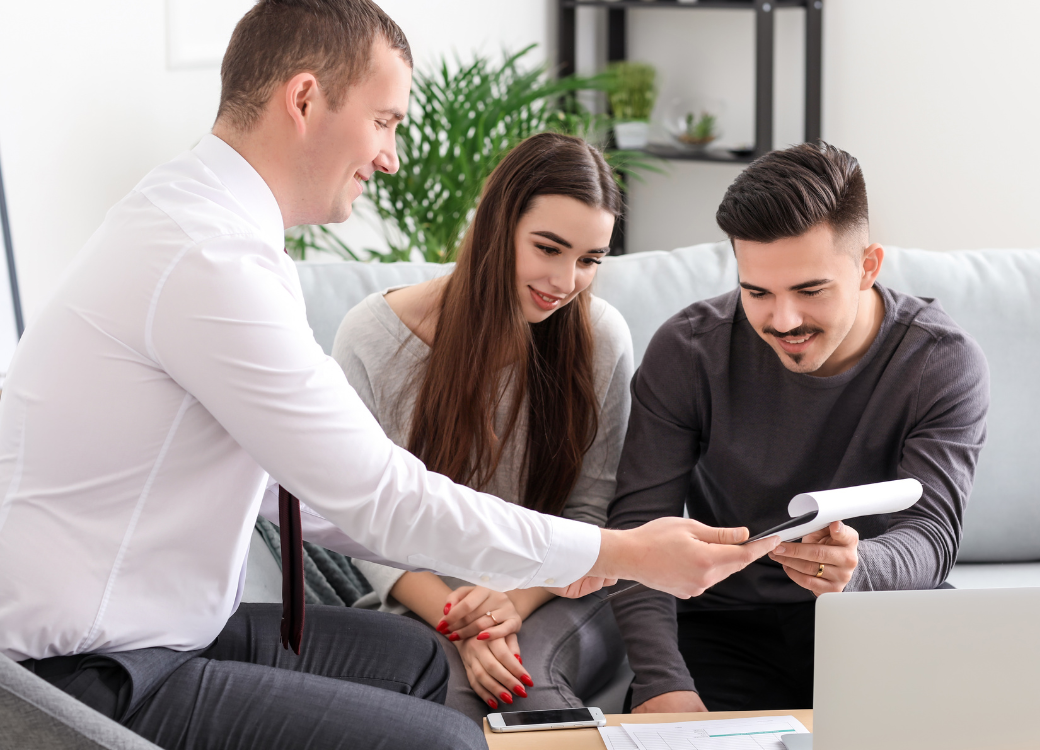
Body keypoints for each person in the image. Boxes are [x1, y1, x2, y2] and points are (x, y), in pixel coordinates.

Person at [0, 2, 777, 748]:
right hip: (81, 674)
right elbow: (375, 495)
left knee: (415, 661)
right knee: (447, 742)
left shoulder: (205, 226)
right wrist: (621, 553)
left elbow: (315, 489)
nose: (391, 155)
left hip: (151, 635)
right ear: (304, 99)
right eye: (384, 121)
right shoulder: (208, 259)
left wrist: (552, 565)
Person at [609, 141, 992, 713]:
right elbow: (639, 530)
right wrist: (664, 684)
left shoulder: (939, 361)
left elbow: (932, 535)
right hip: (725, 625)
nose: (782, 320)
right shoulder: (688, 351)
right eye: (756, 292)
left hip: (877, 615)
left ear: (867, 267)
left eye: (810, 291)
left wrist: (859, 567)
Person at [333, 132, 632, 719]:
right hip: (428, 597)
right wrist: (465, 621)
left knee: (526, 688)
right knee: (456, 696)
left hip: (559, 592)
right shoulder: (371, 336)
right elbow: (364, 521)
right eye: (548, 248)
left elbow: (591, 512)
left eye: (589, 260)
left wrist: (511, 603)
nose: (566, 281)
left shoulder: (601, 338)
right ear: (498, 227)